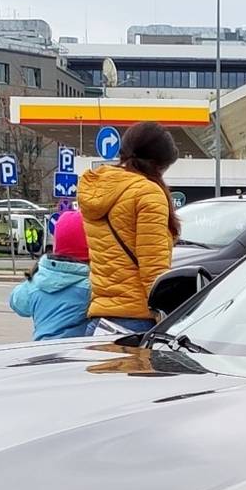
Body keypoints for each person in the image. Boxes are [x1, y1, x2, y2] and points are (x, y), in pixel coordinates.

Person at [74, 121, 177, 334]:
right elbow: (153, 270)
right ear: (159, 164)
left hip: (100, 322)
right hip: (136, 322)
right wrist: (166, 318)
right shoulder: (148, 193)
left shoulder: (98, 188)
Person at [8, 212, 95, 341]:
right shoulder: (92, 285)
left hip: (43, 352)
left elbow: (18, 303)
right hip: (77, 355)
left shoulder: (36, 281)